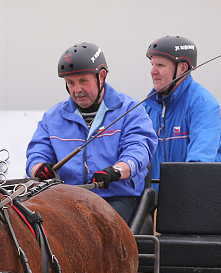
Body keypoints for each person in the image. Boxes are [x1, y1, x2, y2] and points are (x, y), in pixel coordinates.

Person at [26, 42, 157, 226]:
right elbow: (37, 153)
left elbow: (139, 149)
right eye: (70, 83)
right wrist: (38, 167)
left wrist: (116, 170)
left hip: (115, 198)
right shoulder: (52, 117)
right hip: (66, 200)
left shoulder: (130, 110)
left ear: (101, 76)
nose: (76, 90)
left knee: (92, 231)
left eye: (83, 81)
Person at [143, 35, 221, 184]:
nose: (153, 71)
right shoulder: (148, 107)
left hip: (204, 194)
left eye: (160, 65)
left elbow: (198, 164)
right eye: (152, 65)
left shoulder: (203, 104)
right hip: (166, 196)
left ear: (183, 68)